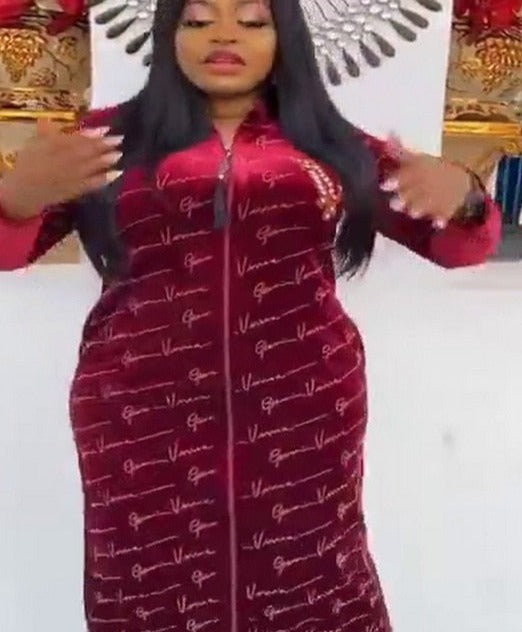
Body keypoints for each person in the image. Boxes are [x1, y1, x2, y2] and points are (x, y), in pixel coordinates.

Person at [0, 1, 501, 631]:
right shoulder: (107, 142)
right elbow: (10, 250)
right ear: (169, 35)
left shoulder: (333, 146)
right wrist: (15, 197)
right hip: (140, 410)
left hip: (303, 404)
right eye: (198, 20)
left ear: (284, 36)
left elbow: (458, 248)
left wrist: (465, 201)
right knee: (149, 575)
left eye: (252, 21)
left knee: (312, 569)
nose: (225, 35)